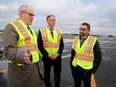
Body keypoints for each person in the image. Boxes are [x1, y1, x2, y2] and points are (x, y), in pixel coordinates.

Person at [3, 4, 43, 87]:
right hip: (22, 72)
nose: (33, 17)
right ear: (21, 13)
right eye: (30, 14)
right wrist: (22, 56)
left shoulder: (30, 28)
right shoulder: (11, 27)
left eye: (33, 15)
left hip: (35, 69)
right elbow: (8, 51)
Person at [70, 23, 102, 87]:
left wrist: (93, 69)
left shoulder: (93, 40)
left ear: (89, 30)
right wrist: (71, 64)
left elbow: (98, 56)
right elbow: (73, 53)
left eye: (84, 29)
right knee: (76, 85)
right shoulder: (75, 39)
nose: (81, 31)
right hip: (75, 67)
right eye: (80, 29)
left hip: (86, 69)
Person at [37, 15, 64, 87]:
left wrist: (58, 53)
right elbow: (39, 45)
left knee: (57, 75)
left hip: (57, 57)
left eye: (55, 20)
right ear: (47, 21)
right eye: (52, 20)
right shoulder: (42, 31)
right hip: (47, 58)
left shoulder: (59, 31)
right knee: (46, 75)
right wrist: (47, 54)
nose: (54, 21)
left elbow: (62, 44)